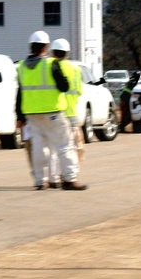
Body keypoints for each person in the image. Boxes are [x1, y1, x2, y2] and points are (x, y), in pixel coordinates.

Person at [16, 30, 87, 191]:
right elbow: (64, 86)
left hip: (31, 114)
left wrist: (19, 116)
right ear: (46, 47)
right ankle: (69, 179)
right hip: (53, 112)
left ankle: (41, 181)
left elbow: (19, 92)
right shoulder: (51, 64)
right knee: (64, 145)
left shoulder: (21, 67)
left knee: (39, 147)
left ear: (31, 47)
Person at [51, 38, 84, 165]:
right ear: (67, 53)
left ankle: (56, 175)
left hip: (56, 112)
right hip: (71, 112)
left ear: (53, 52)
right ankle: (71, 172)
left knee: (56, 147)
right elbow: (79, 91)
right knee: (71, 146)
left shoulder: (51, 67)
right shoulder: (75, 69)